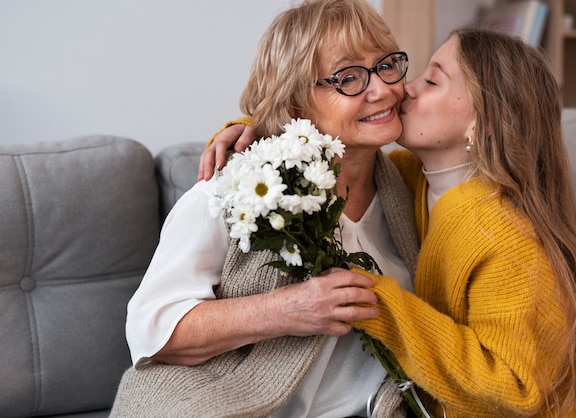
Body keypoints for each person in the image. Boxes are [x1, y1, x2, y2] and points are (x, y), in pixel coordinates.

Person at [202, 29, 576, 417]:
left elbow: (515, 390)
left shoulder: (504, 237)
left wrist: (374, 301)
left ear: (483, 124)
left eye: (433, 80)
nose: (404, 88)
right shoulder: (414, 178)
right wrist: (260, 133)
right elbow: (346, 152)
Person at [111, 1, 421, 417]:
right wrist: (284, 310)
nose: (382, 88)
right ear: (296, 102)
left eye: (386, 65)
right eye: (349, 77)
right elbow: (152, 329)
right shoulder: (232, 190)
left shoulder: (413, 184)